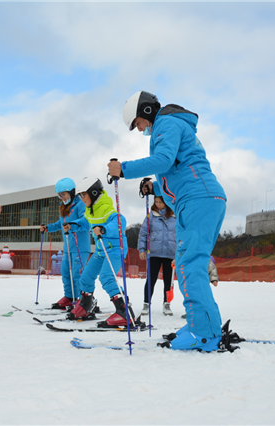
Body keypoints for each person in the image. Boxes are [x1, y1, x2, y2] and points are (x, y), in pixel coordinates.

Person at [108, 90, 226, 351]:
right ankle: (203, 325)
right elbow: (174, 169)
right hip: (194, 201)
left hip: (198, 199)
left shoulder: (167, 123)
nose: (140, 130)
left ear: (147, 112)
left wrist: (123, 169)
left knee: (188, 267)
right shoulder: (170, 126)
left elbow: (163, 160)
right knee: (187, 265)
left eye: (138, 124)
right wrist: (155, 187)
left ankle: (204, 334)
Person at [65, 177, 134, 327]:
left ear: (94, 192)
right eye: (80, 196)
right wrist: (72, 225)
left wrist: (104, 229)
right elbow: (85, 222)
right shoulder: (91, 210)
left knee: (107, 278)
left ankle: (124, 312)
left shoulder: (105, 207)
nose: (82, 199)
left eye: (84, 194)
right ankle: (86, 306)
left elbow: (120, 221)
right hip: (101, 250)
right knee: (86, 277)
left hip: (115, 249)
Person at [41, 178, 91, 310]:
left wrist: (72, 226)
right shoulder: (63, 207)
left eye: (63, 194)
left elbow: (86, 222)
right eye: (59, 195)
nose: (62, 198)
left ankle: (84, 300)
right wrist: (48, 228)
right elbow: (60, 224)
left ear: (72, 192)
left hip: (80, 246)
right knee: (65, 272)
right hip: (68, 247)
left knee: (77, 274)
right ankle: (70, 297)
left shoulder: (80, 204)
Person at [137, 195, 176, 316]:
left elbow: (181, 235)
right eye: (156, 202)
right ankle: (146, 303)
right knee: (151, 279)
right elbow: (143, 233)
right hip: (154, 253)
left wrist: (180, 253)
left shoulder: (176, 216)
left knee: (168, 281)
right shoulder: (151, 216)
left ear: (167, 202)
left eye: (160, 202)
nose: (158, 204)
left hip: (170, 253)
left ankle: (167, 304)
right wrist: (142, 249)